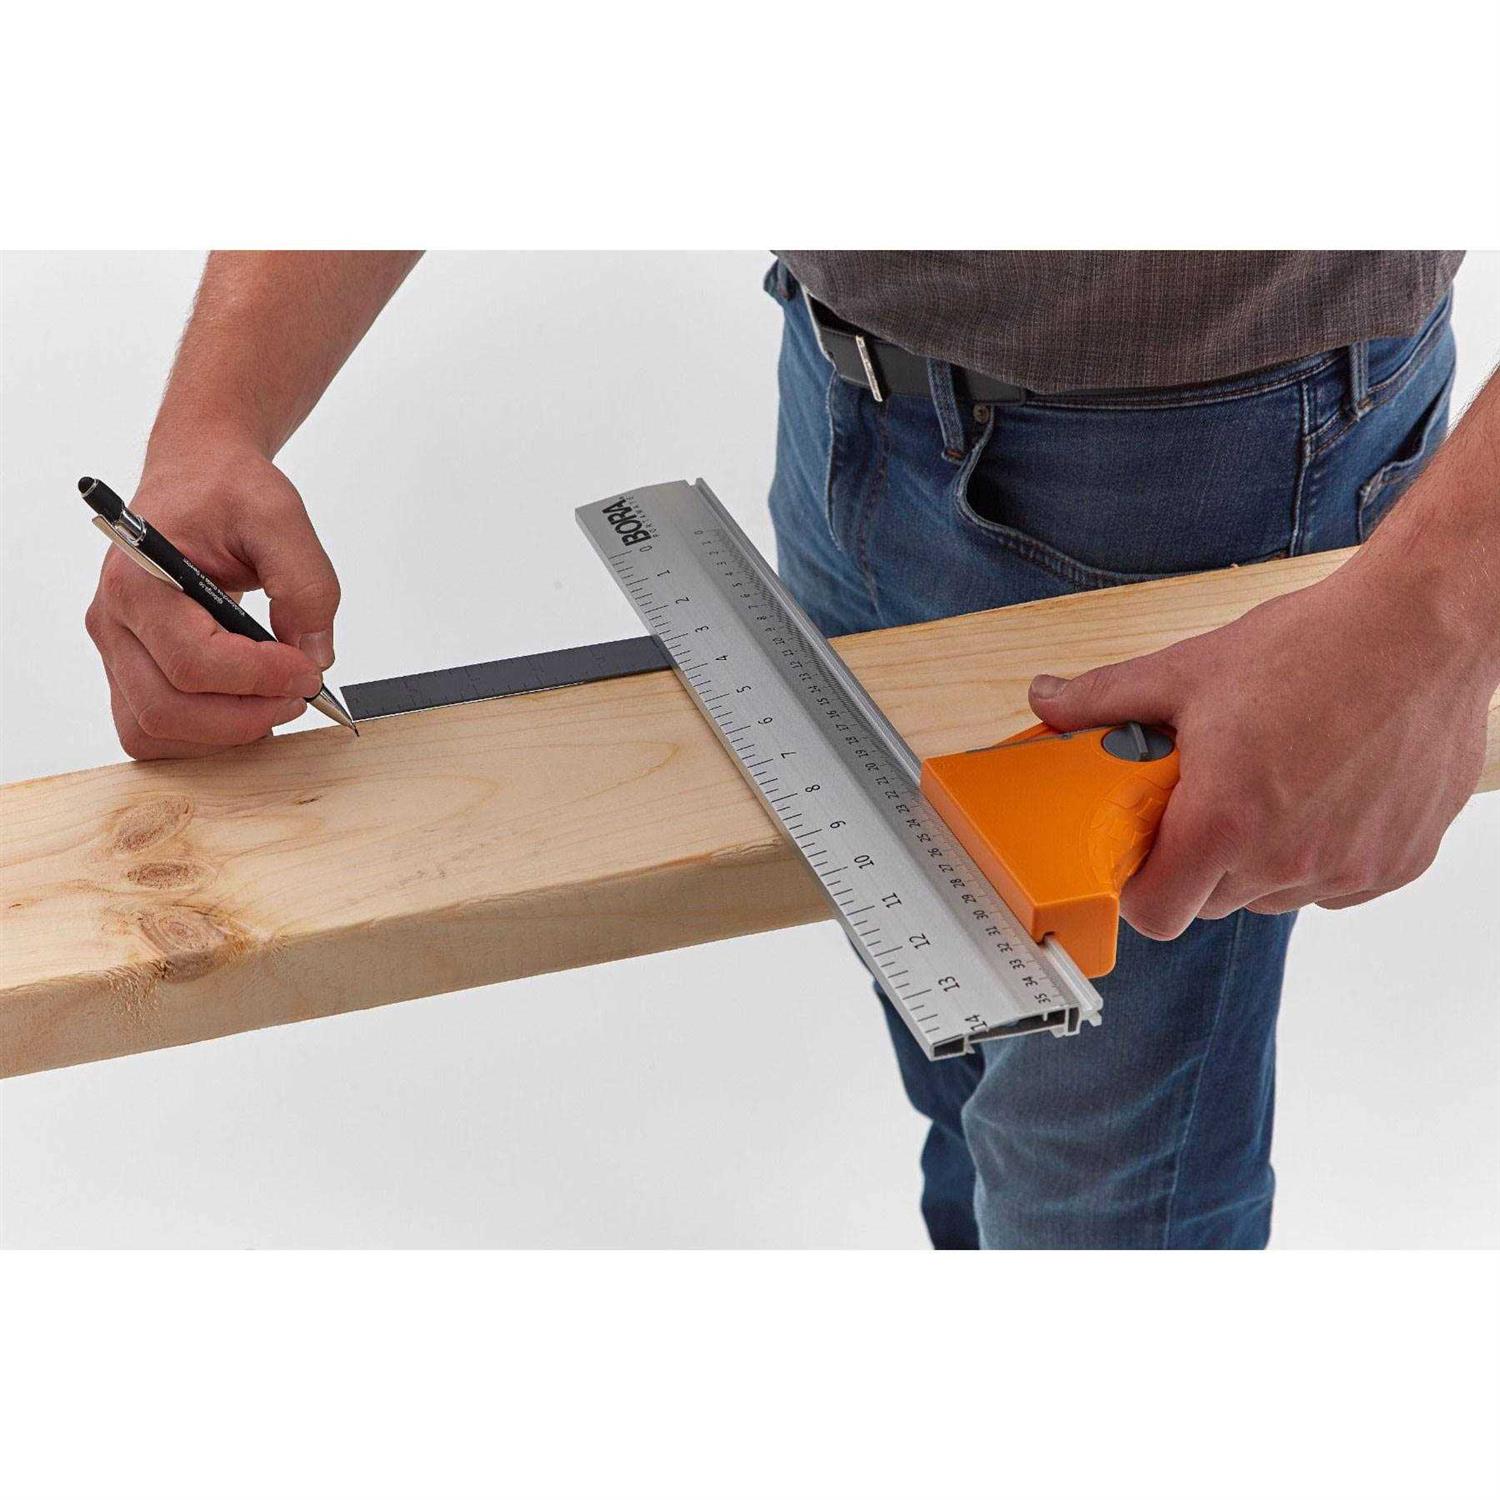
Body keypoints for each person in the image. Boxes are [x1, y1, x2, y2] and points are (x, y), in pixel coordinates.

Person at [84, 251, 1499, 1249]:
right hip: (845, 389)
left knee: (1098, 1201)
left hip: (1214, 450)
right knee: (966, 1063)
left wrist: (1436, 613)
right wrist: (214, 420)